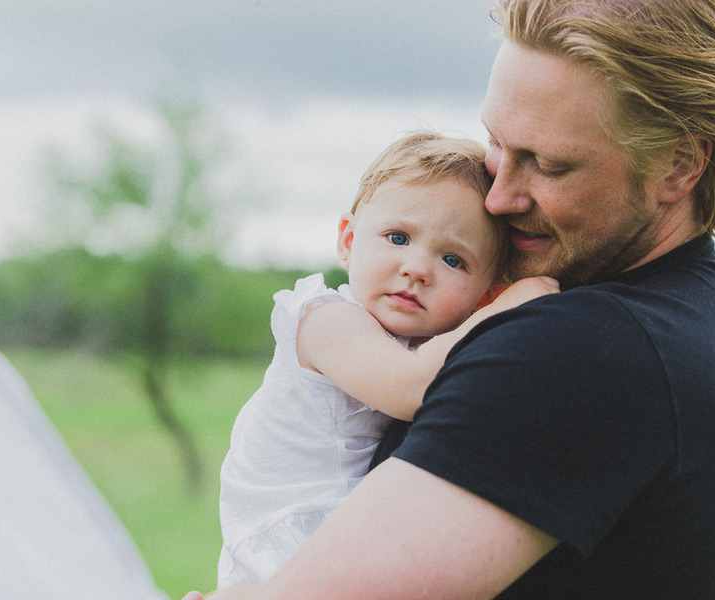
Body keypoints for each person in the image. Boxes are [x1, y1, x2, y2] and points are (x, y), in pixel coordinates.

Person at [184, 0, 715, 598]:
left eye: (548, 164)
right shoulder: (700, 317)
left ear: (679, 165)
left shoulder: (591, 347)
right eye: (497, 143)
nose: (498, 197)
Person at [216, 132, 558, 588]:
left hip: (349, 540)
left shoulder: (427, 342)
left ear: (485, 290)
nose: (417, 268)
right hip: (284, 545)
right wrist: (514, 304)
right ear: (348, 240)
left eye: (453, 260)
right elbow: (411, 389)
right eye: (398, 237)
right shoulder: (326, 320)